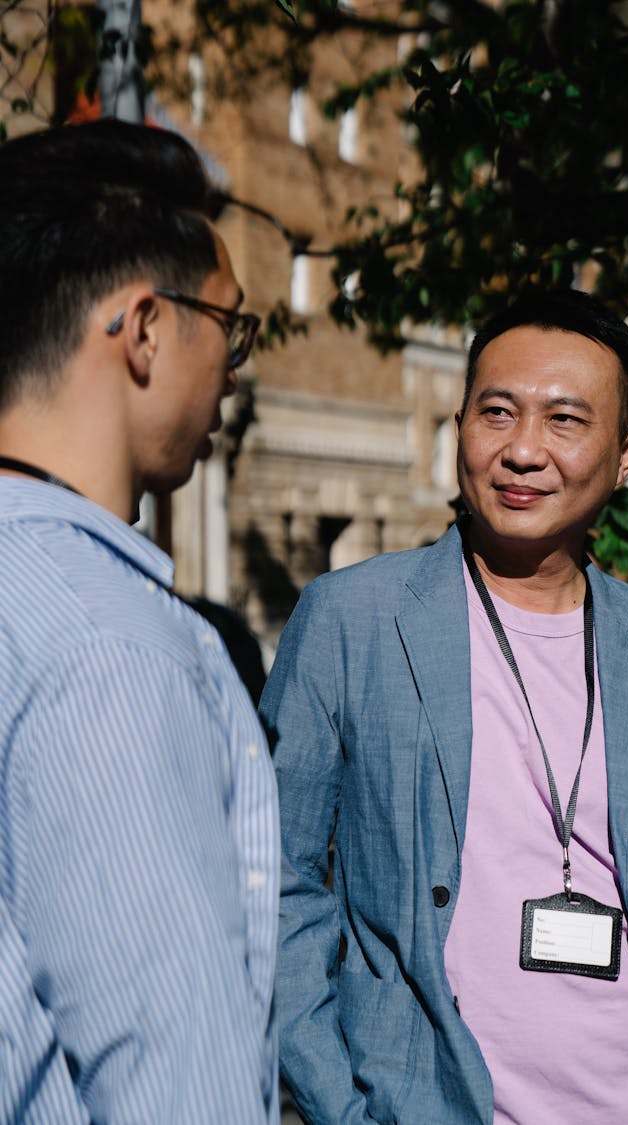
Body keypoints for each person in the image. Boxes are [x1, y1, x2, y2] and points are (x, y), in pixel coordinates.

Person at [260, 290, 628, 1124]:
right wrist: (337, 1101)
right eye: (497, 412)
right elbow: (275, 876)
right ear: (460, 427)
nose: (524, 450)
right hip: (424, 1102)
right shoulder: (354, 620)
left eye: (565, 420)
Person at [0, 120, 279, 1122]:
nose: (234, 366)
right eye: (230, 326)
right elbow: (173, 1072)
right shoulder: (106, 646)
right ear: (146, 327)